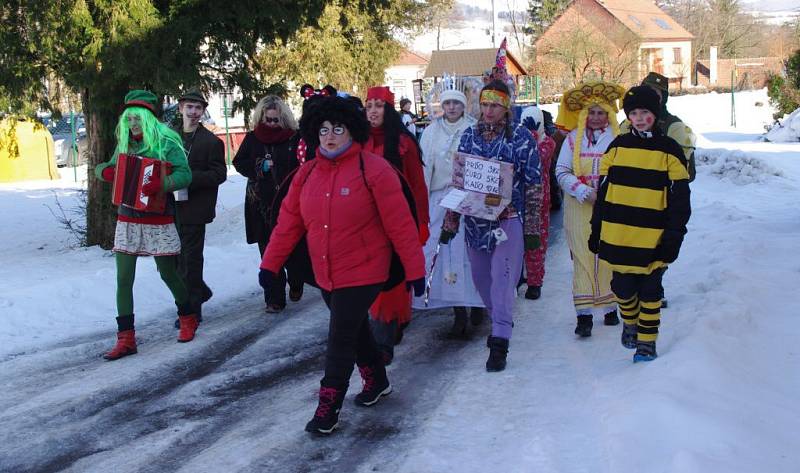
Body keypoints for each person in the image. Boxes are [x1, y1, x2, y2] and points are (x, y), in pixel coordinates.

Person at [259, 96, 425, 434]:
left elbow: (400, 225)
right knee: (354, 329)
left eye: (338, 129)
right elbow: (288, 225)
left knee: (339, 338)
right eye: (323, 130)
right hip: (326, 272)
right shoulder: (305, 175)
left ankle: (328, 407)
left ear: (352, 131)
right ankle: (377, 380)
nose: (330, 136)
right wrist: (270, 265)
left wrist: (415, 269)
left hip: (366, 269)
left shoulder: (373, 170)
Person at [440, 80, 542, 372]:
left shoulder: (521, 138)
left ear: (506, 106)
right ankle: (499, 317)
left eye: (494, 105)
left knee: (502, 279)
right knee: (482, 279)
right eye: (484, 104)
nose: (488, 110)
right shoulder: (469, 135)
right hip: (475, 221)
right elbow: (459, 181)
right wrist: (451, 221)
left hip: (507, 219)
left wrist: (532, 227)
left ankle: (500, 340)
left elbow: (534, 183)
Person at [589, 85, 691, 362]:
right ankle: (630, 322)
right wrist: (596, 229)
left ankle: (647, 342)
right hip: (618, 235)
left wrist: (673, 237)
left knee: (650, 292)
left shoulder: (669, 150)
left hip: (653, 237)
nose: (639, 117)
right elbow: (603, 194)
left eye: (644, 111)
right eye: (633, 112)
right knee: (622, 288)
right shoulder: (617, 147)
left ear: (655, 115)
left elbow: (681, 201)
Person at [95, 90, 194, 360]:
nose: (133, 124)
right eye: (129, 119)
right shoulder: (124, 143)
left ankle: (188, 317)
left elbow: (185, 174)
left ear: (149, 118)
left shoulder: (167, 142)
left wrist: (161, 184)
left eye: (138, 119)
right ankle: (126, 339)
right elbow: (106, 167)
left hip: (158, 219)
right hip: (128, 219)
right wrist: (104, 171)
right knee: (123, 279)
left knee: (168, 273)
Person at [363, 85, 429, 364]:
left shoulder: (404, 143)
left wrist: (421, 222)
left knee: (390, 281)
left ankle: (383, 341)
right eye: (369, 106)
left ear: (388, 109)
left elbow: (416, 185)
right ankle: (388, 328)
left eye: (379, 105)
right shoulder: (356, 142)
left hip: (398, 223)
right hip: (365, 225)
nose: (373, 111)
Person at [554, 81, 625, 338]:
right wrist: (582, 190)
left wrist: (606, 195)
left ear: (609, 114)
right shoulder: (573, 139)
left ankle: (609, 306)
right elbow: (561, 170)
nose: (596, 118)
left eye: (601, 112)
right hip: (579, 207)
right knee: (582, 257)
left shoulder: (618, 139)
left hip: (609, 207)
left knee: (608, 256)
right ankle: (583, 314)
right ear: (584, 114)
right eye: (592, 112)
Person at [413, 86, 485, 337]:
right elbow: (423, 167)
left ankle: (478, 301)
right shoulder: (431, 132)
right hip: (440, 198)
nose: (451, 108)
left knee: (470, 252)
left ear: (464, 105)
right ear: (441, 107)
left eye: (456, 103)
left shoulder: (475, 128)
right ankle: (458, 310)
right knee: (444, 254)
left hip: (469, 198)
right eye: (447, 104)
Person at [233, 95, 303, 313]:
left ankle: (297, 281)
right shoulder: (254, 138)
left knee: (293, 249)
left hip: (289, 202)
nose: (272, 124)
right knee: (267, 250)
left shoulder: (294, 138)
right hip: (260, 204)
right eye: (268, 120)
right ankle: (274, 298)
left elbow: (303, 165)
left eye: (276, 120)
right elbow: (239, 162)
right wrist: (258, 167)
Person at [173, 90, 226, 328]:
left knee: (191, 260)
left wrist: (189, 178)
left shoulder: (211, 142)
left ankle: (192, 310)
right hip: (170, 207)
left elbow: (219, 174)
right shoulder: (169, 137)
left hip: (195, 208)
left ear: (203, 111)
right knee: (174, 261)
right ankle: (200, 291)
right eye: (189, 107)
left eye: (198, 108)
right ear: (180, 108)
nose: (193, 112)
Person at [519, 105, 556, 300]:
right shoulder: (518, 140)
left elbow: (534, 158)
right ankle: (518, 276)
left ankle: (535, 281)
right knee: (516, 241)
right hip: (518, 197)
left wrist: (530, 135)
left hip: (539, 200)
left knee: (536, 243)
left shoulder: (547, 143)